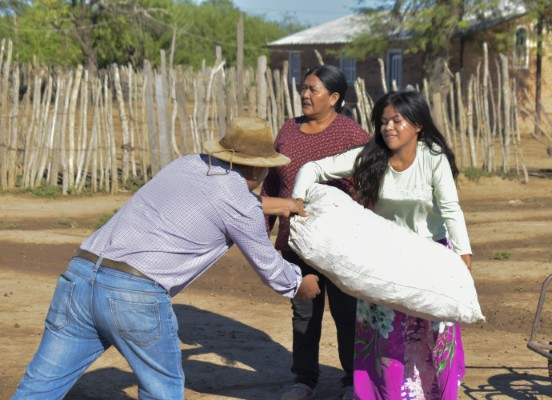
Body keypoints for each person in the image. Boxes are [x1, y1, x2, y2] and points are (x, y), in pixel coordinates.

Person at [11, 117, 322, 400]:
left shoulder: (187, 164)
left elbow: (223, 200)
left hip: (80, 277)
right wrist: (299, 285)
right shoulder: (239, 202)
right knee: (162, 393)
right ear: (257, 169)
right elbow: (269, 267)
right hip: (134, 295)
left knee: (39, 387)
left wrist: (282, 204)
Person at [292, 90, 473, 399]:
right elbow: (312, 168)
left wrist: (463, 254)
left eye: (397, 121)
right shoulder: (370, 155)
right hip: (384, 259)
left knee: (434, 333)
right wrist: (297, 200)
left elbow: (450, 209)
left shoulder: (433, 158)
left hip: (431, 258)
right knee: (387, 336)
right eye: (384, 121)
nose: (388, 128)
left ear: (417, 125)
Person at [261, 64, 371, 400]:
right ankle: (304, 380)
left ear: (334, 97)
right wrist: (264, 228)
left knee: (347, 314)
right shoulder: (288, 130)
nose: (305, 95)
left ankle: (353, 381)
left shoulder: (351, 135)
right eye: (304, 88)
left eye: (313, 89)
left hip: (340, 244)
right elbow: (273, 181)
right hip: (296, 240)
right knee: (304, 312)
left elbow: (370, 184)